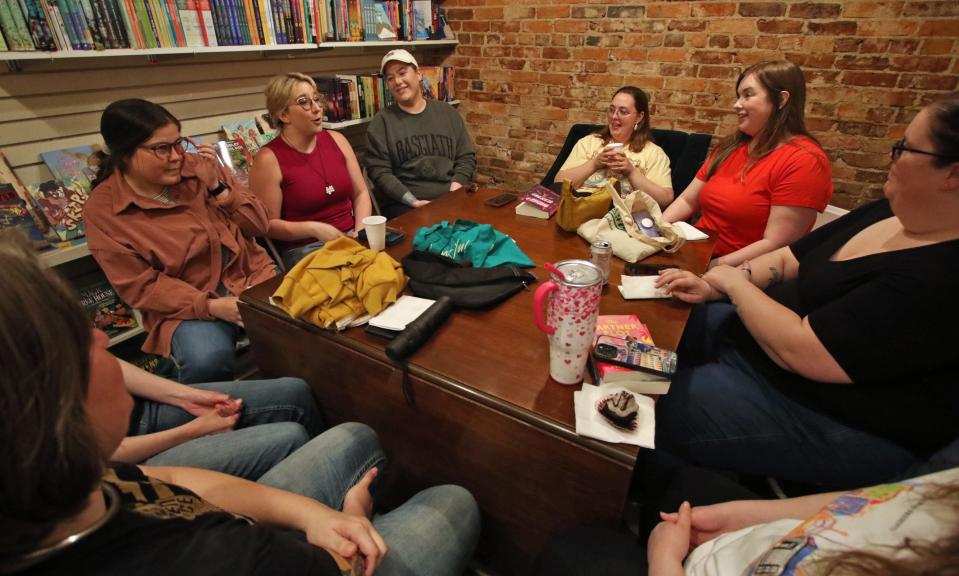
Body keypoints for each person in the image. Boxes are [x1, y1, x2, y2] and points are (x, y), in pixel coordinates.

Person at [0, 230, 481, 576]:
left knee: (354, 434)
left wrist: (310, 515)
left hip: (246, 530)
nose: (103, 338)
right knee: (453, 502)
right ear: (49, 405)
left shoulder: (70, 486)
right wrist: (355, 517)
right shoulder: (217, 557)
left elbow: (162, 478)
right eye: (81, 339)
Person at [650, 93, 959, 488]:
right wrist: (711, 286)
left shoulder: (942, 274)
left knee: (643, 405)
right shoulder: (886, 210)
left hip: (823, 412)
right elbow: (788, 259)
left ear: (953, 174)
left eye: (904, 148)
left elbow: (803, 349)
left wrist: (730, 282)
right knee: (653, 326)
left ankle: (638, 497)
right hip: (757, 344)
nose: (891, 157)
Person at [83, 99, 277, 384]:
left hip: (251, 277)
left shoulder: (199, 169)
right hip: (185, 306)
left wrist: (218, 188)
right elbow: (142, 286)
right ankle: (224, 419)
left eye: (178, 143)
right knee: (207, 358)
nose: (176, 156)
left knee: (306, 332)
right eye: (161, 148)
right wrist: (210, 306)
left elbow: (259, 225)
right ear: (124, 153)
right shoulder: (104, 210)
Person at [540, 464, 959, 576]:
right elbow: (864, 502)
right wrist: (749, 516)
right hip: (764, 542)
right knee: (683, 482)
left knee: (574, 549)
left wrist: (664, 564)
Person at [662, 61, 834, 268]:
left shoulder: (804, 161)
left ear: (781, 99)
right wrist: (656, 230)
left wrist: (709, 268)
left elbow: (776, 245)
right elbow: (689, 200)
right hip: (693, 254)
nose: (737, 104)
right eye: (738, 96)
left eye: (748, 95)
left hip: (737, 273)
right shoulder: (730, 147)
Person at [115, 357, 324, 480]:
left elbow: (107, 363)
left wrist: (187, 397)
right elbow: (99, 458)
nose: (102, 340)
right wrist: (192, 431)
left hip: (143, 408)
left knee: (294, 391)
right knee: (290, 436)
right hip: (128, 463)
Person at [250, 73, 375, 269]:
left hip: (351, 237)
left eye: (316, 99)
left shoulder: (337, 140)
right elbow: (267, 225)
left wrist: (360, 231)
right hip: (306, 248)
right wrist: (313, 229)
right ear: (283, 115)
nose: (317, 108)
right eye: (304, 102)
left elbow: (360, 193)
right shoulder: (268, 159)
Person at [365, 49, 476, 219]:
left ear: (418, 74)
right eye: (390, 78)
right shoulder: (381, 123)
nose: (398, 81)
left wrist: (453, 192)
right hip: (405, 208)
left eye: (402, 73)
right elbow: (380, 173)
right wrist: (414, 202)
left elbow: (466, 157)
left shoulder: (447, 113)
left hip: (452, 200)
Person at [554, 86, 674, 207]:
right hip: (580, 208)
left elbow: (665, 199)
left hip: (621, 214)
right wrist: (594, 164)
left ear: (639, 117)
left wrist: (631, 172)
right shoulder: (589, 142)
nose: (614, 116)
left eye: (623, 111)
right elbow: (558, 184)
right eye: (612, 110)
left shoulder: (654, 153)